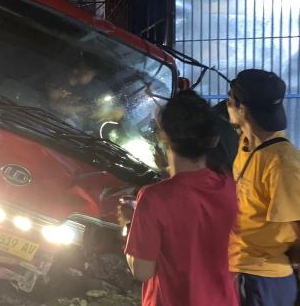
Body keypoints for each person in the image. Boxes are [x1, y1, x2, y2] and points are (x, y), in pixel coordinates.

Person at [122, 90, 238, 305]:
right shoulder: (230, 187)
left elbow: (142, 271)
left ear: (162, 135)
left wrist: (130, 224)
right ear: (213, 140)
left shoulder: (154, 199)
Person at [226, 69, 300, 306]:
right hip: (242, 271)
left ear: (243, 109)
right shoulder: (247, 142)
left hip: (264, 280)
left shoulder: (282, 164)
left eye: (229, 101)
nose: (226, 106)